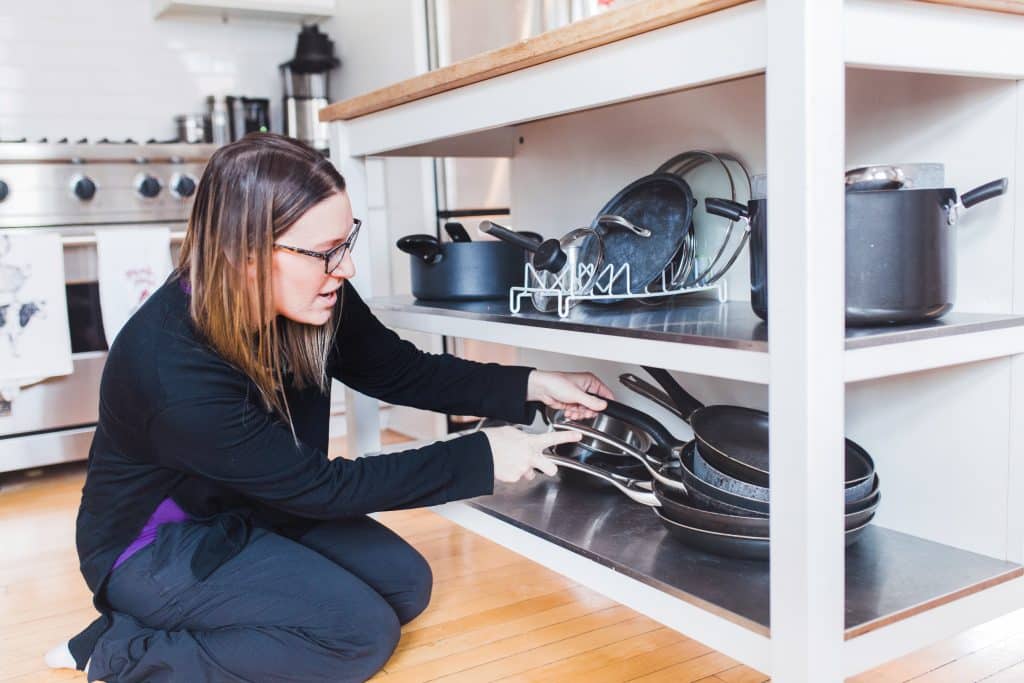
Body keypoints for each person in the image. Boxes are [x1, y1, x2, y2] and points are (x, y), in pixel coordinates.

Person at [45, 133, 612, 682]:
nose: (346, 269)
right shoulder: (170, 366)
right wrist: (482, 456)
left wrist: (533, 384)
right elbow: (319, 488)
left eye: (346, 243)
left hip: (258, 499)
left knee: (404, 587)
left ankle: (205, 611)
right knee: (355, 637)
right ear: (242, 254)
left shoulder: (314, 293)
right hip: (162, 545)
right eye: (323, 253)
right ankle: (122, 653)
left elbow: (398, 370)